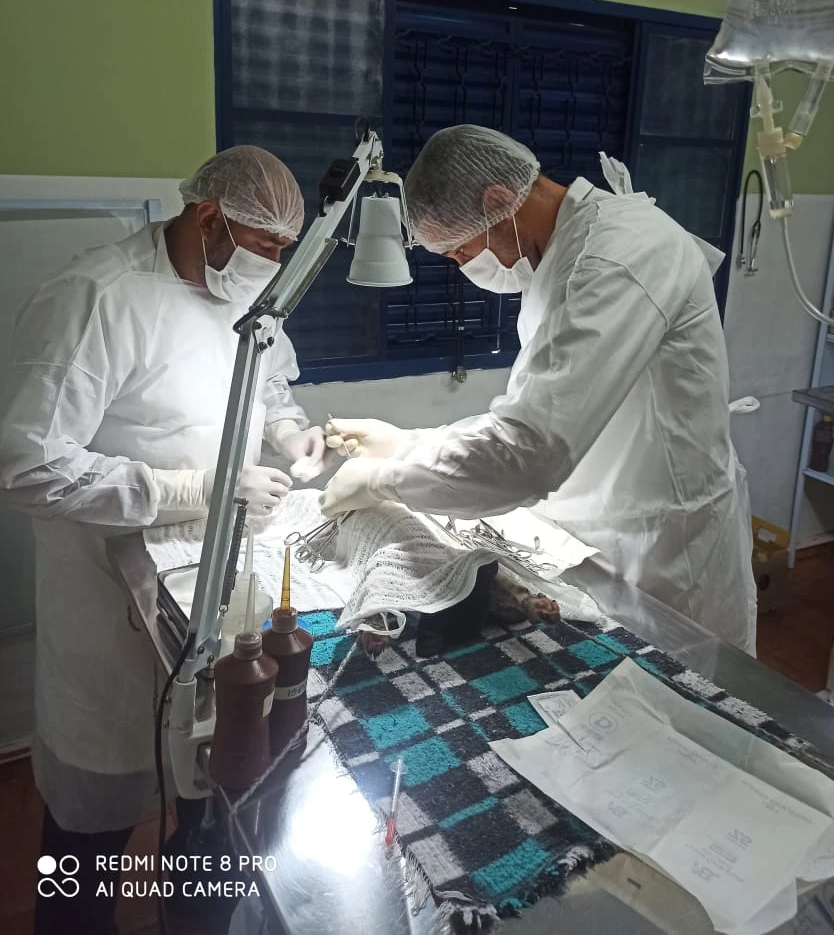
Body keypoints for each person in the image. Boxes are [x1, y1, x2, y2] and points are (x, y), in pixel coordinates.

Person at [0, 146, 328, 934]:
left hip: (208, 585)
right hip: (110, 600)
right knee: (90, 831)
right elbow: (26, 467)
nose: (275, 264)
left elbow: (268, 377)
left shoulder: (249, 296)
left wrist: (288, 430)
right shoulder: (97, 297)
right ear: (209, 217)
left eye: (287, 249)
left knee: (210, 796)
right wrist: (192, 489)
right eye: (266, 245)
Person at [320, 125, 756, 654]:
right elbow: (534, 413)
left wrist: (386, 479)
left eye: (459, 251)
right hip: (588, 530)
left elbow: (529, 452)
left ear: (498, 202)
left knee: (679, 694)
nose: (462, 267)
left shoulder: (616, 259)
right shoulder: (560, 255)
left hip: (660, 547)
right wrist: (410, 442)